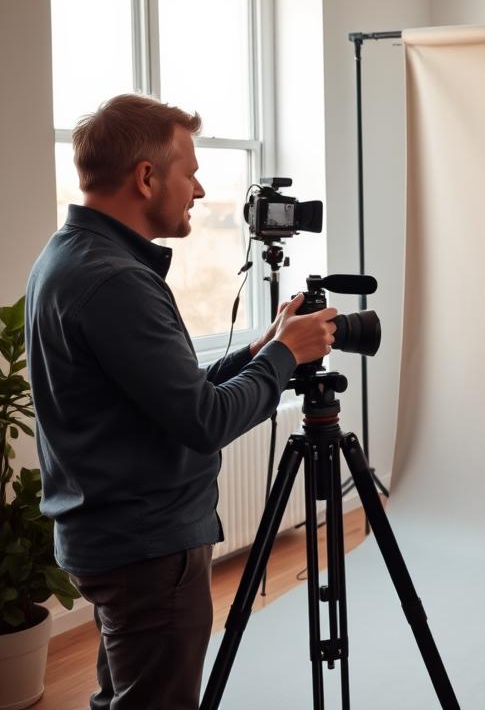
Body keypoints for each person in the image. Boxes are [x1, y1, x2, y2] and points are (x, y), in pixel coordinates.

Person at [24, 94, 337, 710]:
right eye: (189, 171)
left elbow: (164, 393)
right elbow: (204, 419)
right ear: (146, 176)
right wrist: (286, 357)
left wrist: (258, 351)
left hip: (116, 537)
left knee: (124, 697)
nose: (197, 189)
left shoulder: (71, 256)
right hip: (145, 545)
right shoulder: (116, 279)